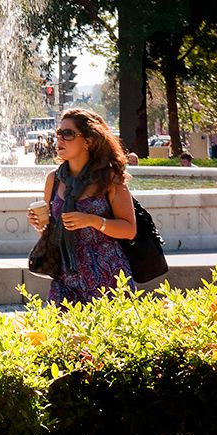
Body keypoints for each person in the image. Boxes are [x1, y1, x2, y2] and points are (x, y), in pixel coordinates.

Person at [26, 108, 136, 305]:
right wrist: (40, 225)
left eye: (67, 134)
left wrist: (93, 221)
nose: (59, 139)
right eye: (58, 133)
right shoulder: (54, 179)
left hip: (108, 276)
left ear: (89, 140)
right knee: (61, 334)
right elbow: (52, 233)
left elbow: (129, 229)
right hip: (66, 278)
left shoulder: (109, 179)